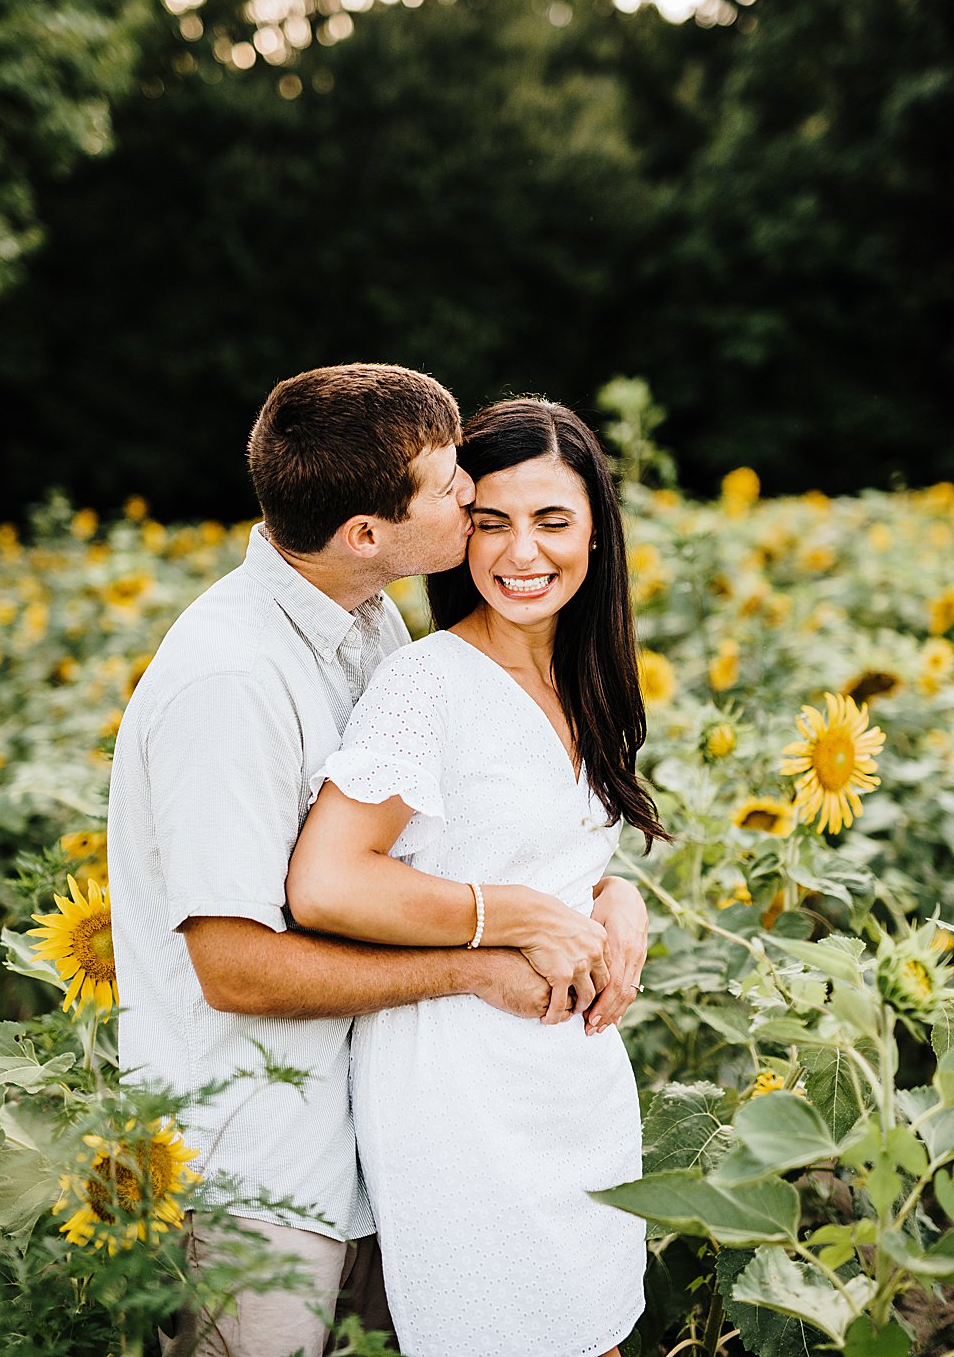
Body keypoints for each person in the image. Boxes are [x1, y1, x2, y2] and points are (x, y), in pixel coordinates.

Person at [108, 366, 649, 1357]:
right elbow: (233, 966)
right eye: (462, 500)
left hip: (371, 1123)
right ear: (366, 532)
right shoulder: (231, 679)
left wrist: (607, 896)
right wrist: (497, 945)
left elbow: (474, 831)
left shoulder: (363, 623)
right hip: (256, 1154)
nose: (477, 512)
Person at [285, 396, 666, 1357]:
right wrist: (523, 916)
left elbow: (549, 844)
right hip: (459, 1090)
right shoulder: (428, 685)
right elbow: (328, 883)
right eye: (489, 522)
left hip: (569, 1078)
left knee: (596, 1326)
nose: (519, 553)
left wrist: (615, 899)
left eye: (552, 521)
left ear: (596, 531)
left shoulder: (583, 672)